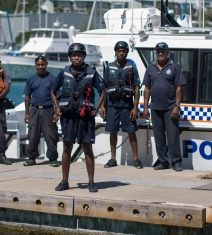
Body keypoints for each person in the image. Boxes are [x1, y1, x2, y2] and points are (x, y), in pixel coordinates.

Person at [51, 43, 107, 193]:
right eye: (74, 55)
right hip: (68, 116)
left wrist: (98, 108)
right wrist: (57, 108)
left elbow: (103, 91)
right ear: (70, 57)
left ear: (83, 57)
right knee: (67, 148)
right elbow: (53, 91)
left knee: (87, 148)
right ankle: (64, 181)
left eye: (79, 55)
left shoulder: (92, 73)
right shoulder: (63, 73)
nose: (76, 57)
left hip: (85, 117)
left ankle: (91, 182)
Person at [142, 42, 186, 172]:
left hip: (170, 108)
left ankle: (176, 162)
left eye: (163, 51)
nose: (160, 53)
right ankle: (163, 162)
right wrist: (145, 107)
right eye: (158, 51)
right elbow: (147, 88)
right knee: (159, 136)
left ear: (167, 52)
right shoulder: (150, 67)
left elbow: (179, 88)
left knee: (172, 137)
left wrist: (177, 106)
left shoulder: (174, 67)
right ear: (156, 52)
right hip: (155, 108)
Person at [100, 41, 143, 169]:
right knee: (112, 132)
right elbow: (104, 89)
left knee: (131, 132)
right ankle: (113, 159)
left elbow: (136, 88)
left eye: (123, 50)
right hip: (112, 105)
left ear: (126, 52)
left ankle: (136, 159)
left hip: (127, 106)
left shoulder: (132, 68)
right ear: (115, 52)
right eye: (119, 50)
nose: (121, 53)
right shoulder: (109, 68)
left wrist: (135, 108)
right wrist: (102, 106)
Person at [23, 56, 59, 167]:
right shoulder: (31, 79)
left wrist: (56, 112)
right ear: (35, 65)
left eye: (42, 64)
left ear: (46, 64)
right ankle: (31, 158)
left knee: (50, 135)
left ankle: (53, 159)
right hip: (34, 110)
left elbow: (57, 96)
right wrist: (27, 113)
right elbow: (27, 96)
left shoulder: (53, 78)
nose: (40, 67)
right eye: (38, 65)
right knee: (33, 135)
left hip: (48, 110)